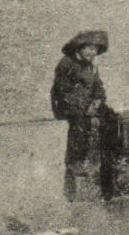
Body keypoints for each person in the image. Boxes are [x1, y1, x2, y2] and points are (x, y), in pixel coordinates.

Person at [50, 29, 122, 199]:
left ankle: (114, 155)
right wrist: (84, 107)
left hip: (89, 105)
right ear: (79, 49)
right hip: (68, 106)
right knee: (81, 124)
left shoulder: (92, 67)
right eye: (89, 49)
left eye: (95, 49)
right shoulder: (66, 64)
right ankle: (76, 162)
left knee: (113, 119)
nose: (92, 52)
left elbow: (99, 88)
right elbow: (63, 92)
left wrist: (97, 101)